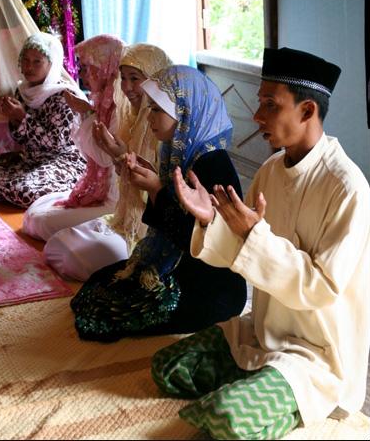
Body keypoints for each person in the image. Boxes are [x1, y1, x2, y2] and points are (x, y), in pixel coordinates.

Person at [151, 48, 370, 440]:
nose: (257, 116)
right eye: (259, 103)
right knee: (168, 366)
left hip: (316, 354)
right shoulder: (271, 170)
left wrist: (256, 236)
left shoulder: (348, 188)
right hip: (264, 330)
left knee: (223, 417)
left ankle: (287, 395)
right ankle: (258, 379)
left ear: (307, 111)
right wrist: (210, 219)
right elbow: (242, 251)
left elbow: (320, 289)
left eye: (270, 105)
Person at [69, 65, 247, 342]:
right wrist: (151, 184)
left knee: (102, 315)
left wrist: (155, 189)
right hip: (179, 264)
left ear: (185, 112)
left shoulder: (212, 163)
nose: (148, 116)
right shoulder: (177, 151)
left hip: (209, 284)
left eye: (156, 109)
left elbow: (203, 241)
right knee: (98, 283)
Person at [41, 43, 173, 280]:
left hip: (149, 225)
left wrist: (117, 154)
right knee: (56, 244)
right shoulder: (129, 116)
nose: (127, 87)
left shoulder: (165, 126)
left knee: (70, 256)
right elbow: (121, 171)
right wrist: (117, 154)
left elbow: (157, 194)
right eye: (123, 78)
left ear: (155, 79)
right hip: (123, 214)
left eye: (135, 78)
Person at [22, 34, 126, 240]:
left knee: (39, 223)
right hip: (97, 187)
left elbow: (104, 157)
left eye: (88, 68)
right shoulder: (103, 99)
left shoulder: (120, 106)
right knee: (34, 212)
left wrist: (86, 113)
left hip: (115, 201)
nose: (83, 75)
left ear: (105, 67)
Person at [0, 32, 87, 208]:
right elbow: (21, 139)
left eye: (37, 61)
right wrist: (13, 118)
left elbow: (56, 142)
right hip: (32, 161)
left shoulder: (64, 95)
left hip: (62, 160)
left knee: (26, 191)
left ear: (52, 63)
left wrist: (21, 117)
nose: (29, 67)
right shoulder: (23, 91)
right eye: (25, 60)